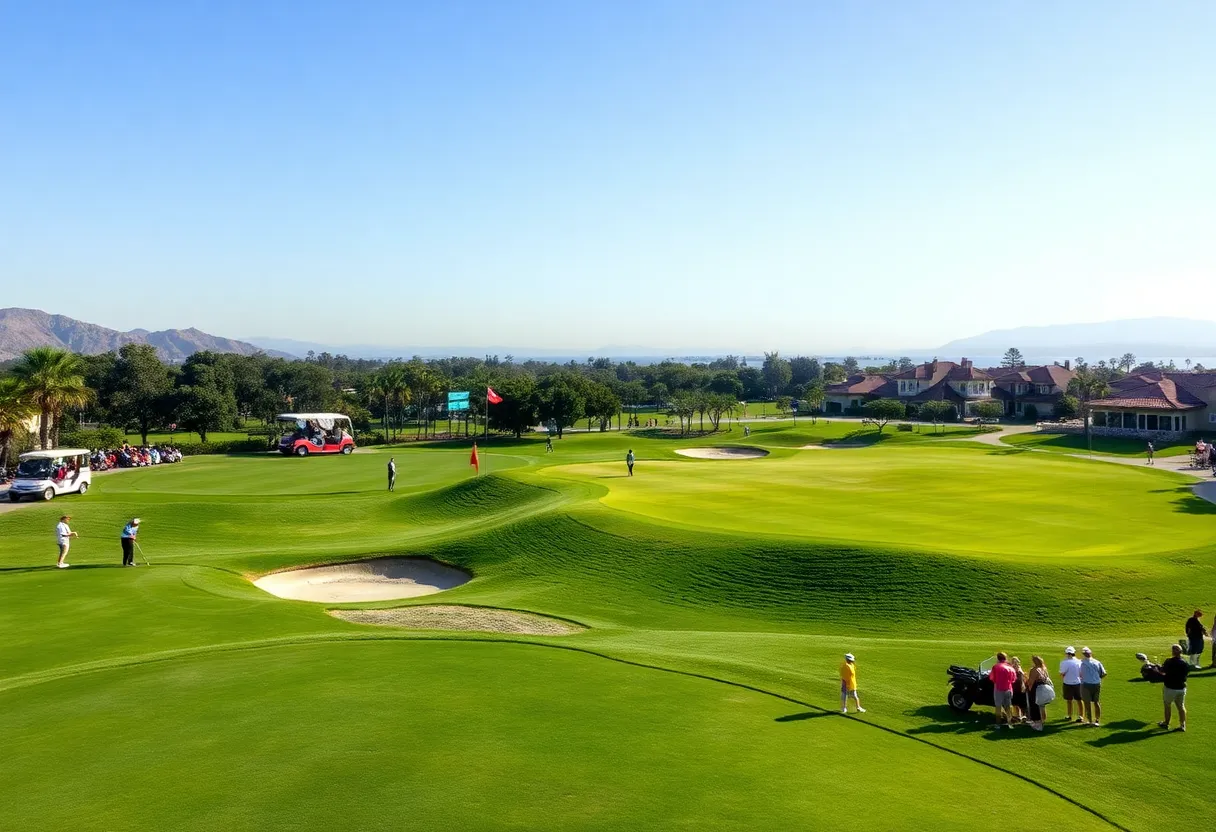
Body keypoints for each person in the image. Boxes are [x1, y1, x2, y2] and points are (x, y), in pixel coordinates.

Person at [1158, 644, 1190, 732]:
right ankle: (1182, 725)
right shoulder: (1185, 663)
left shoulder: (1169, 661)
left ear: (1173, 652)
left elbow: (1162, 672)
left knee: (1167, 705)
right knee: (1181, 706)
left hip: (1170, 688)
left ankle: (1166, 723)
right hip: (1181, 688)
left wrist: (1158, 668)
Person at [988, 652, 1017, 729]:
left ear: (998, 658)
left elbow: (991, 678)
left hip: (998, 689)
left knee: (998, 706)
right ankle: (1009, 723)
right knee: (1008, 706)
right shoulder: (1011, 667)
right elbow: (1013, 679)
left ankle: (998, 724)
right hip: (1009, 689)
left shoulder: (996, 667)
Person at [1079, 646, 1106, 726]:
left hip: (1086, 685)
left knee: (1088, 703)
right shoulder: (1097, 662)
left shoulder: (1081, 662)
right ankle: (1096, 721)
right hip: (1096, 684)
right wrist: (1097, 678)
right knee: (1096, 702)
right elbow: (1103, 673)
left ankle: (1090, 721)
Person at [1026, 655, 1052, 731]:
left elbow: (1031, 682)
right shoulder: (1043, 669)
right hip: (1043, 689)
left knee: (1035, 706)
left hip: (1036, 689)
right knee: (1042, 706)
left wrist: (1029, 690)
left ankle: (1038, 724)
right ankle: (1043, 721)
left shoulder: (1034, 670)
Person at [1059, 646, 1084, 723]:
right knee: (1079, 700)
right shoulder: (1079, 661)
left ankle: (1069, 715)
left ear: (1067, 654)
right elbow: (1081, 673)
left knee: (1069, 700)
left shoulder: (1064, 662)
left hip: (1067, 683)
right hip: (1077, 682)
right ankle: (1081, 716)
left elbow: (1062, 673)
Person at [1010, 657, 1027, 723]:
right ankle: (1021, 716)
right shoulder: (1019, 668)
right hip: (1019, 688)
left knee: (1016, 704)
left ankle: (1019, 716)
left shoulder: (1014, 669)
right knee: (1020, 704)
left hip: (1016, 688)